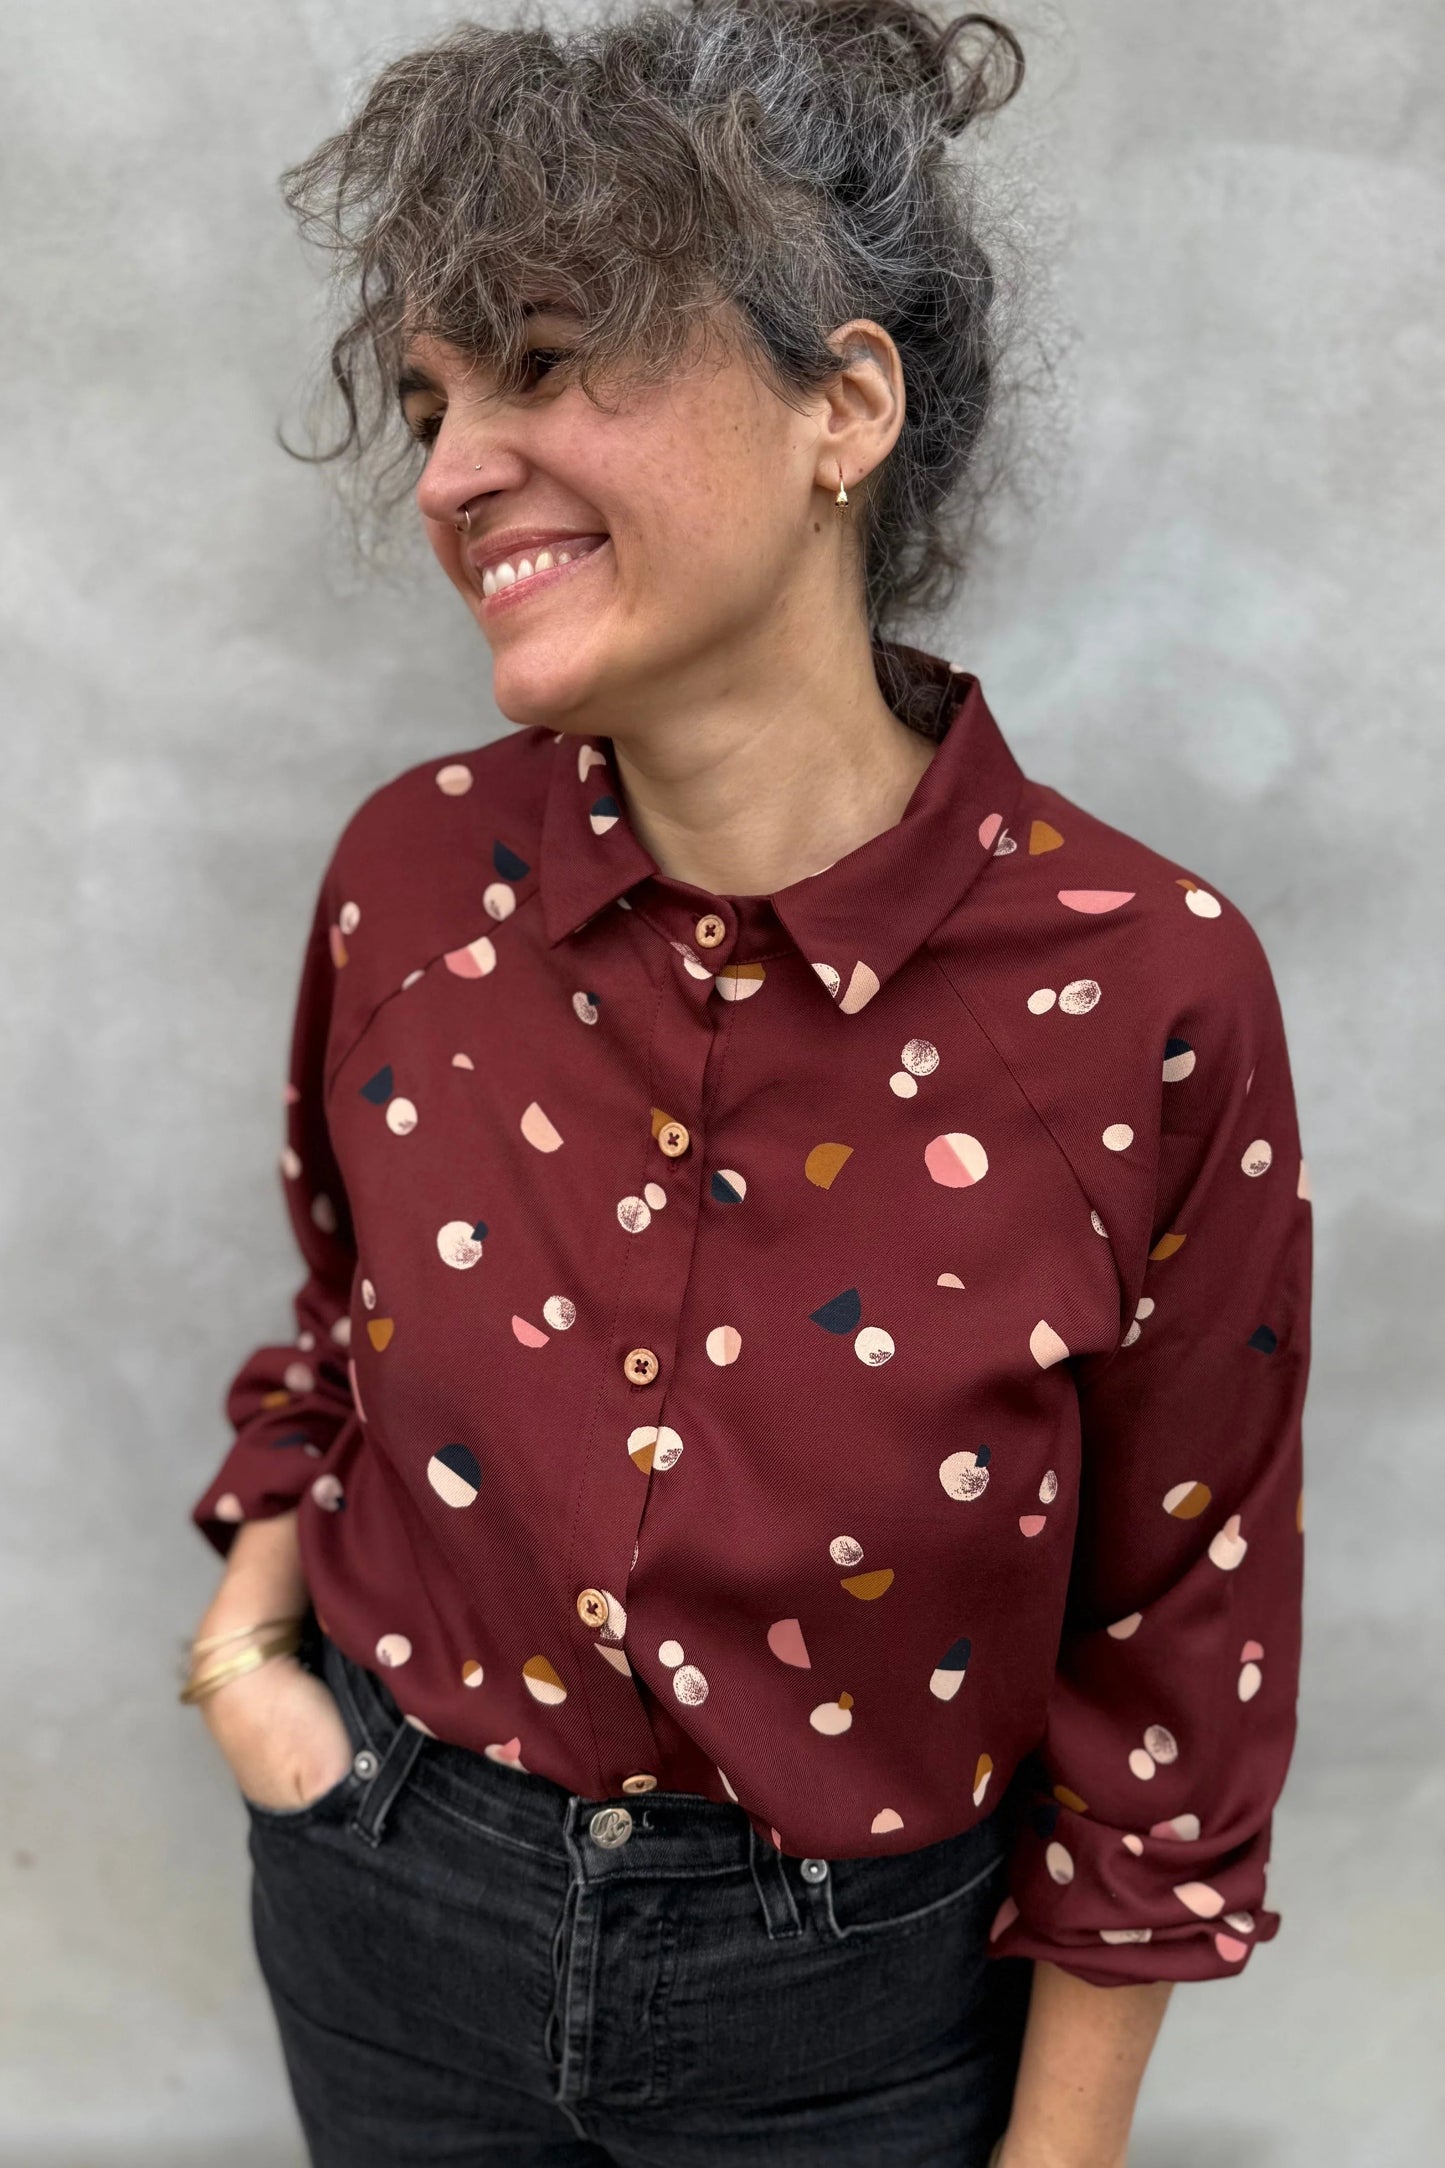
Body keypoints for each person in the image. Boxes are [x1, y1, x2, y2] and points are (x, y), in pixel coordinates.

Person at [181, 5, 1312, 2164]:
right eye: (431, 398)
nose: (444, 469)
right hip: (386, 1907)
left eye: (540, 359)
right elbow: (344, 1321)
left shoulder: (1148, 996)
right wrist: (252, 1674)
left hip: (861, 2016)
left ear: (845, 404)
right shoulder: (410, 878)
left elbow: (1179, 1655)